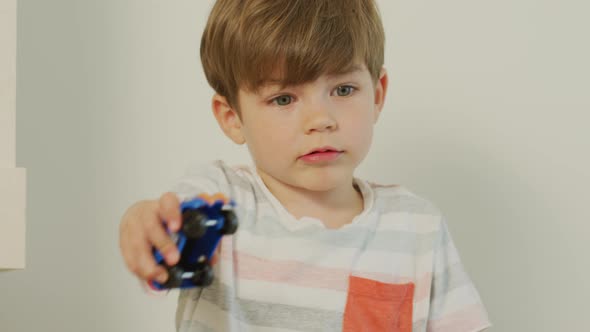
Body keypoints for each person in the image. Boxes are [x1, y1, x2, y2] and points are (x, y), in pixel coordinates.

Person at [119, 0, 492, 331]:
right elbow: (166, 222)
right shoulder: (222, 197)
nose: (320, 119)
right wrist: (143, 222)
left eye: (343, 90)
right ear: (232, 117)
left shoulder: (416, 228)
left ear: (377, 95)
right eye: (283, 99)